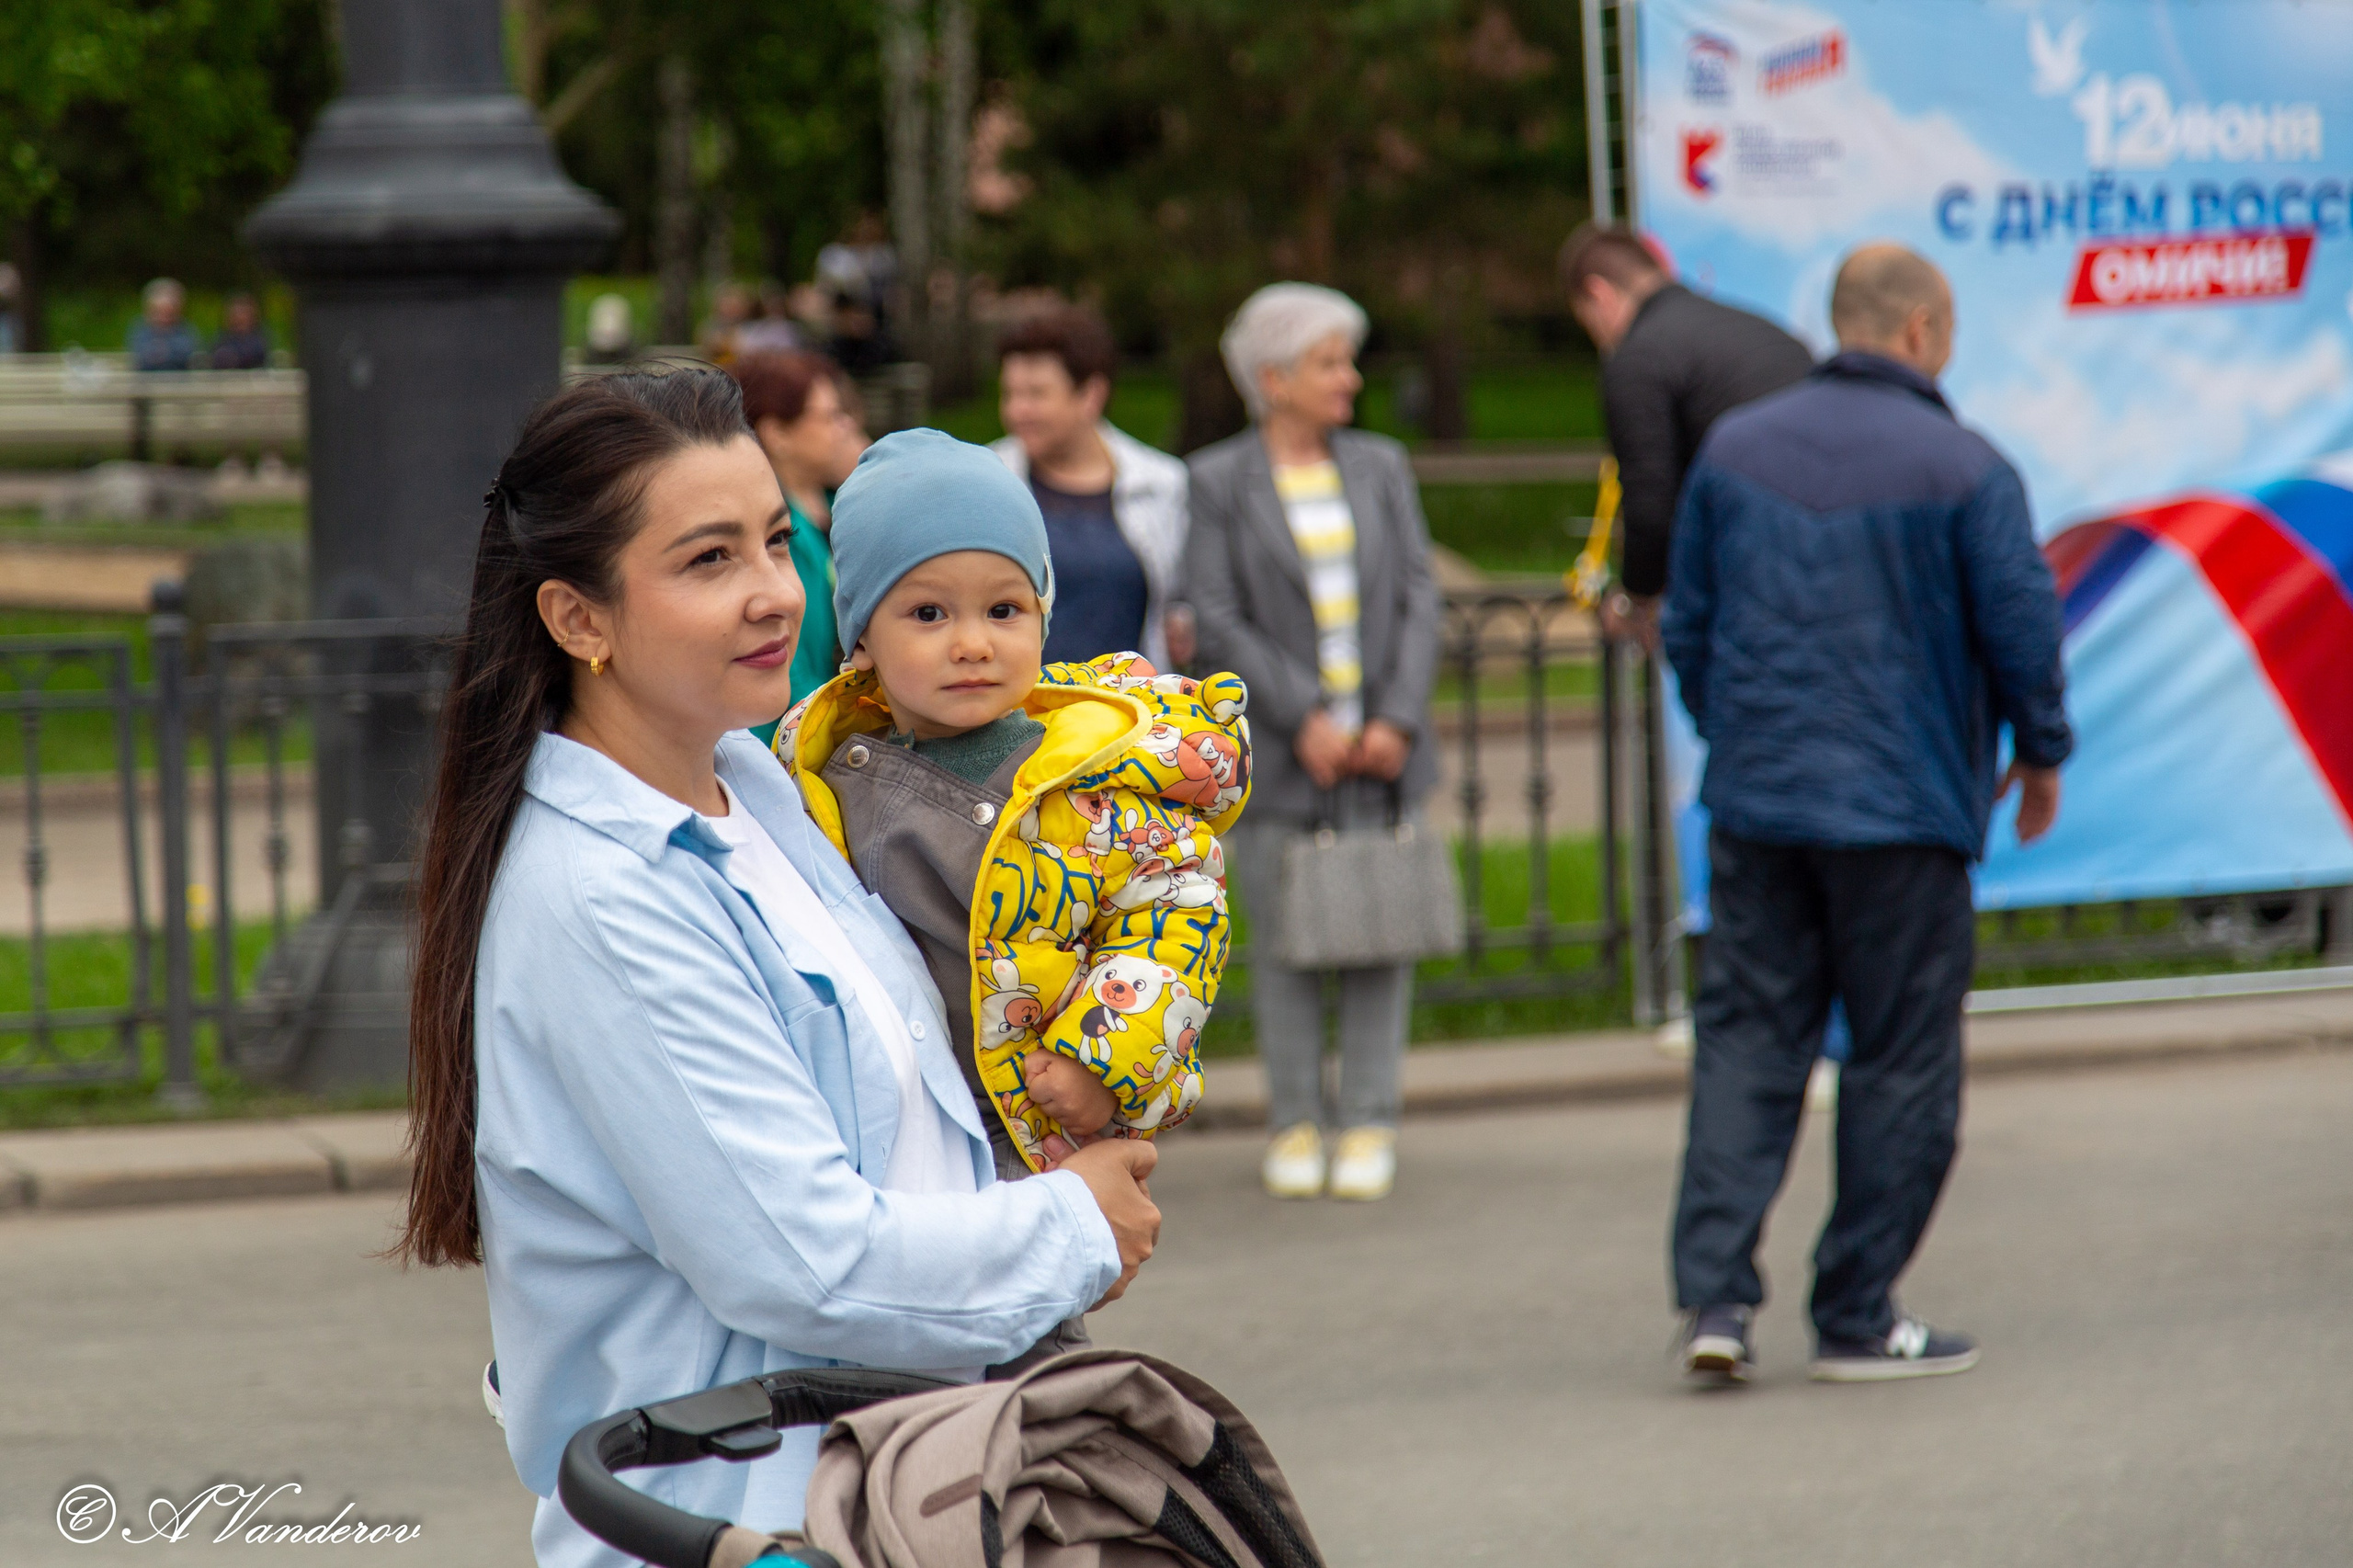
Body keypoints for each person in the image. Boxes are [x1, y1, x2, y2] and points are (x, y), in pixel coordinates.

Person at [402, 367, 1162, 1566]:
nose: (772, 592)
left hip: (902, 1488)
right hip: (740, 1527)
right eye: (708, 561)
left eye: (773, 538)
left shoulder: (766, 785)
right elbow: (806, 1262)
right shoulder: (605, 893)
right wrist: (1074, 1228)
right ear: (578, 618)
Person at [1660, 244, 2072, 1384]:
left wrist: (1736, 735)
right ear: (1923, 328)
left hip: (1758, 803)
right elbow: (2021, 627)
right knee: (1899, 1057)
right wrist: (2040, 754)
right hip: (1904, 814)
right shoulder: (1965, 463)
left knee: (1746, 1043)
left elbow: (1687, 625)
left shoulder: (1735, 448)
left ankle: (1717, 1302)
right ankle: (1854, 1313)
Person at [776, 427, 1248, 1180]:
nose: (972, 644)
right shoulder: (816, 777)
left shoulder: (1088, 779)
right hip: (876, 1137)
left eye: (1003, 611)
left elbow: (1177, 911)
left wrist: (1102, 1061)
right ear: (860, 638)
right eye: (929, 615)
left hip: (1025, 1131)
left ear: (1042, 620)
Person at [1186, 283, 1441, 1204]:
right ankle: (1295, 1119)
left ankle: (1370, 1118)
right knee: (1286, 935)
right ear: (1273, 378)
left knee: (1381, 927)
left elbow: (1418, 596)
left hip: (1382, 746)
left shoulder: (1379, 465)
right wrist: (1308, 717)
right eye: (1331, 361)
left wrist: (1394, 719)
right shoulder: (1218, 480)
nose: (1350, 378)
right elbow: (1213, 614)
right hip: (1288, 749)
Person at [1560, 224, 1815, 646]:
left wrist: (1635, 600)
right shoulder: (1761, 332)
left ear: (1599, 295)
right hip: (1834, 569)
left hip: (1752, 591)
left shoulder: (1638, 358)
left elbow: (1650, 506)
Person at [989, 305, 1193, 670]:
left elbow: (1185, 598)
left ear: (1091, 395)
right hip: (1020, 715)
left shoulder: (1163, 484)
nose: (1017, 411)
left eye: (1036, 394)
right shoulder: (986, 479)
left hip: (1134, 713)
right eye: (1010, 394)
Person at [732, 349, 870, 710]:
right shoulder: (779, 536)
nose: (847, 427)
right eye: (830, 416)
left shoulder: (834, 502)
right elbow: (796, 672)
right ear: (776, 433)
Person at [128, 278, 201, 371]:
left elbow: (188, 352)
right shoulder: (139, 329)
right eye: (158, 312)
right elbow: (140, 353)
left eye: (169, 313)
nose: (163, 317)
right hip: (146, 381)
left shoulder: (186, 329)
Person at [210, 292, 271, 369]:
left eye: (242, 313)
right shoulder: (222, 339)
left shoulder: (259, 339)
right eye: (235, 313)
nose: (238, 318)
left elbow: (257, 357)